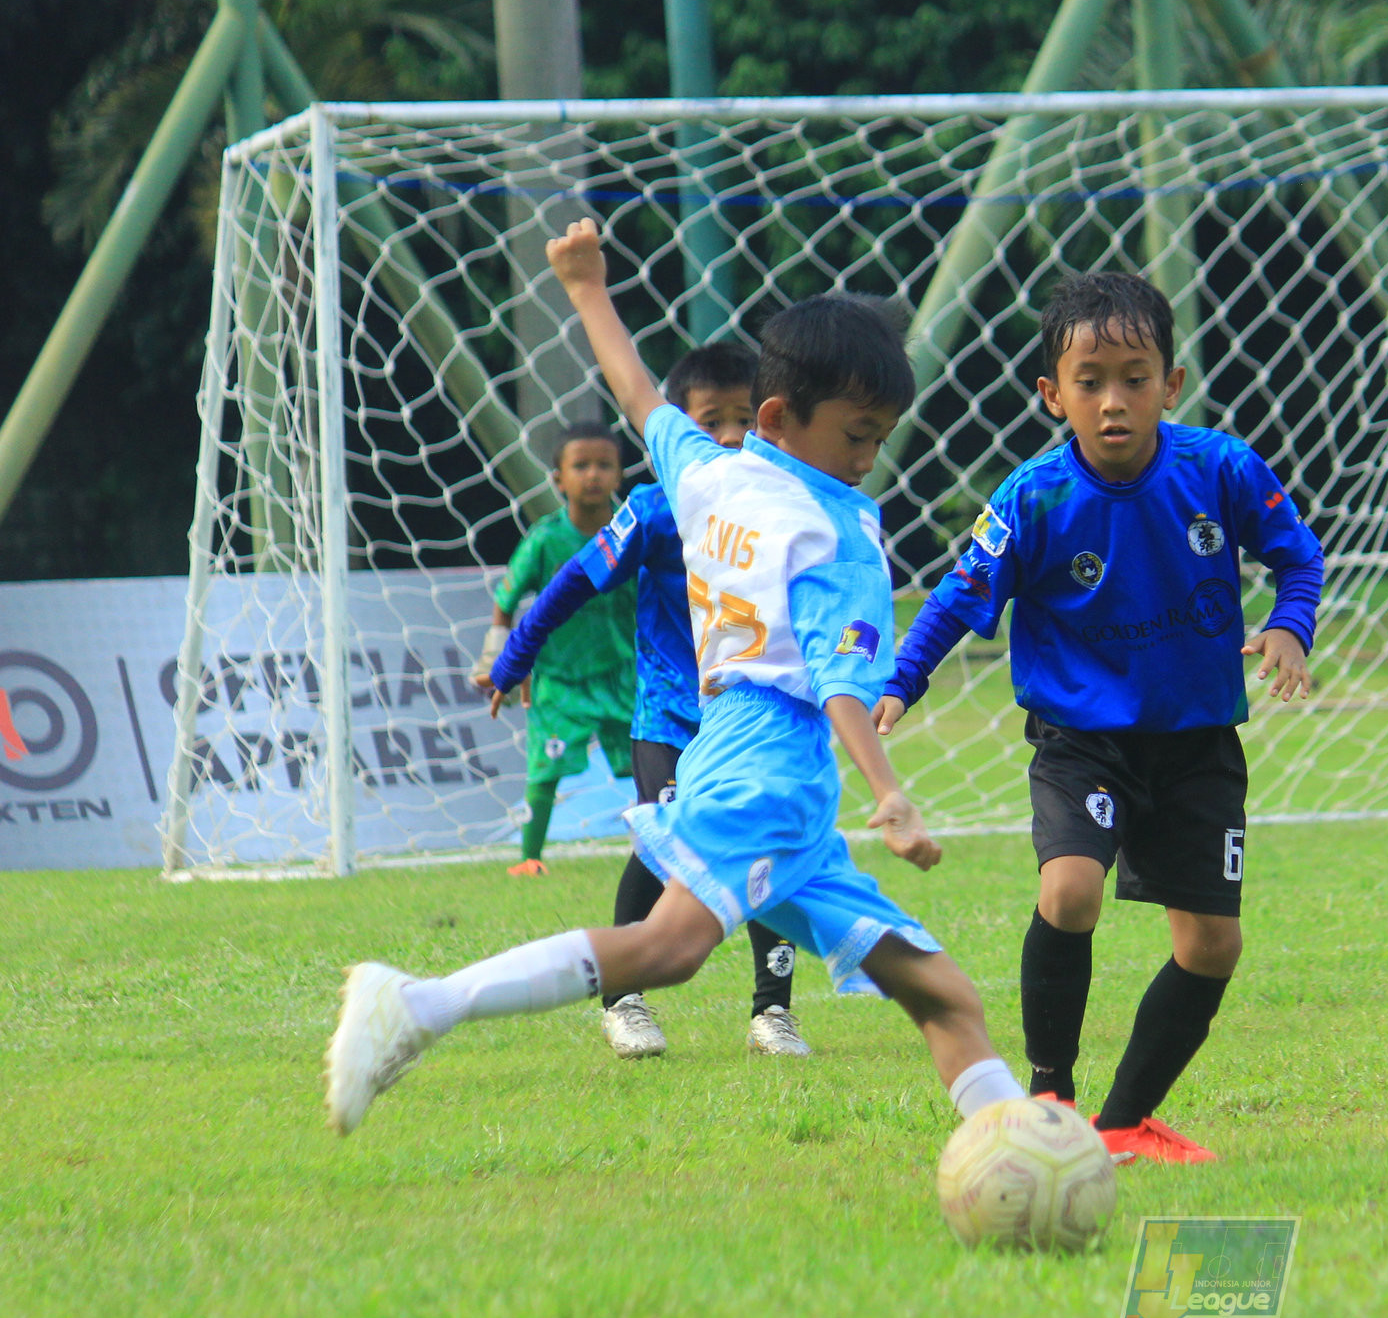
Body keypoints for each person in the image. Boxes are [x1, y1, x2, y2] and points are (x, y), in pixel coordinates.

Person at [322, 218, 1022, 1137]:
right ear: (780, 419)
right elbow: (838, 676)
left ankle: (1024, 1148)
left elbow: (641, 393)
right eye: (857, 435)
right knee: (669, 946)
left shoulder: (707, 476)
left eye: (879, 438)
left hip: (759, 764)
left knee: (943, 994)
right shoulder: (834, 531)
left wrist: (584, 288)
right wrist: (889, 792)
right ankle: (417, 1003)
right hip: (769, 755)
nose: (866, 459)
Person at [877, 271, 1324, 1164]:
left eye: (1134, 376)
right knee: (1069, 891)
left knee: (1212, 945)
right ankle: (1049, 1096)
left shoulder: (1220, 468)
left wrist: (1287, 626)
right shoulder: (1032, 497)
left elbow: (1298, 556)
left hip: (1197, 743)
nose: (1113, 401)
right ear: (1053, 394)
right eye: (1089, 382)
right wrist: (901, 680)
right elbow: (959, 598)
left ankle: (1123, 1120)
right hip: (1082, 741)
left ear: (1171, 382)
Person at [484, 344, 817, 1062]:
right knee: (666, 845)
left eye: (742, 419)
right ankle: (622, 998)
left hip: (750, 719)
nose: (728, 436)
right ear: (673, 428)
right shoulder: (656, 511)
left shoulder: (782, 506)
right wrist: (514, 658)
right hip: (668, 713)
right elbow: (571, 582)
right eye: (709, 420)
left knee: (764, 848)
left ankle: (773, 1013)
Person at [474, 422, 637, 877]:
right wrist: (498, 661)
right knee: (543, 773)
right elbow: (505, 603)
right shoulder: (545, 540)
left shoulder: (635, 535)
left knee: (652, 762)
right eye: (580, 465)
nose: (593, 475)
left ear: (620, 475)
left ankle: (669, 850)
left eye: (604, 465)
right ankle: (530, 858)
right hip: (558, 680)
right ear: (557, 479)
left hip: (624, 673)